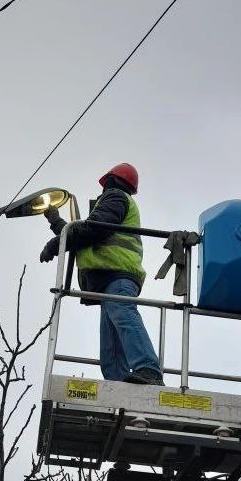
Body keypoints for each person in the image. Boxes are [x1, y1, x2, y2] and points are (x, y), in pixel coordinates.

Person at [40, 163, 163, 384]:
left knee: (123, 315)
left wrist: (55, 243)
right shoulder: (115, 202)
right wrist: (55, 222)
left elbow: (95, 229)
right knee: (111, 340)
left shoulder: (115, 197)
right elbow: (80, 235)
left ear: (109, 181)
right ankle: (117, 382)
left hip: (118, 275)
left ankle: (148, 369)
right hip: (109, 280)